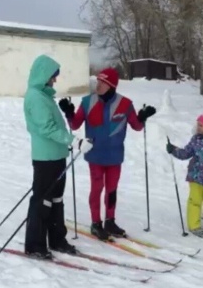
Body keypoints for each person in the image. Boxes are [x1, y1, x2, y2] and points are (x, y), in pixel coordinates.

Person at [59, 68, 156, 241]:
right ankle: (96, 223)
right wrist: (69, 113)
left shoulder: (125, 104)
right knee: (97, 189)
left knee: (111, 190)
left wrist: (142, 116)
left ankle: (110, 221)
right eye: (97, 82)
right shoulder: (87, 102)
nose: (98, 85)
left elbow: (137, 126)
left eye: (101, 82)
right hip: (95, 156)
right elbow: (74, 125)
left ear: (111, 85)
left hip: (115, 156)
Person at [23, 54, 92, 259]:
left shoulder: (44, 96)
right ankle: (35, 244)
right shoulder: (35, 97)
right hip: (45, 159)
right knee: (42, 201)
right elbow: (47, 129)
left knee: (56, 199)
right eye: (53, 76)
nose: (55, 80)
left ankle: (56, 239)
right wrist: (74, 141)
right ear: (43, 74)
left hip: (56, 157)